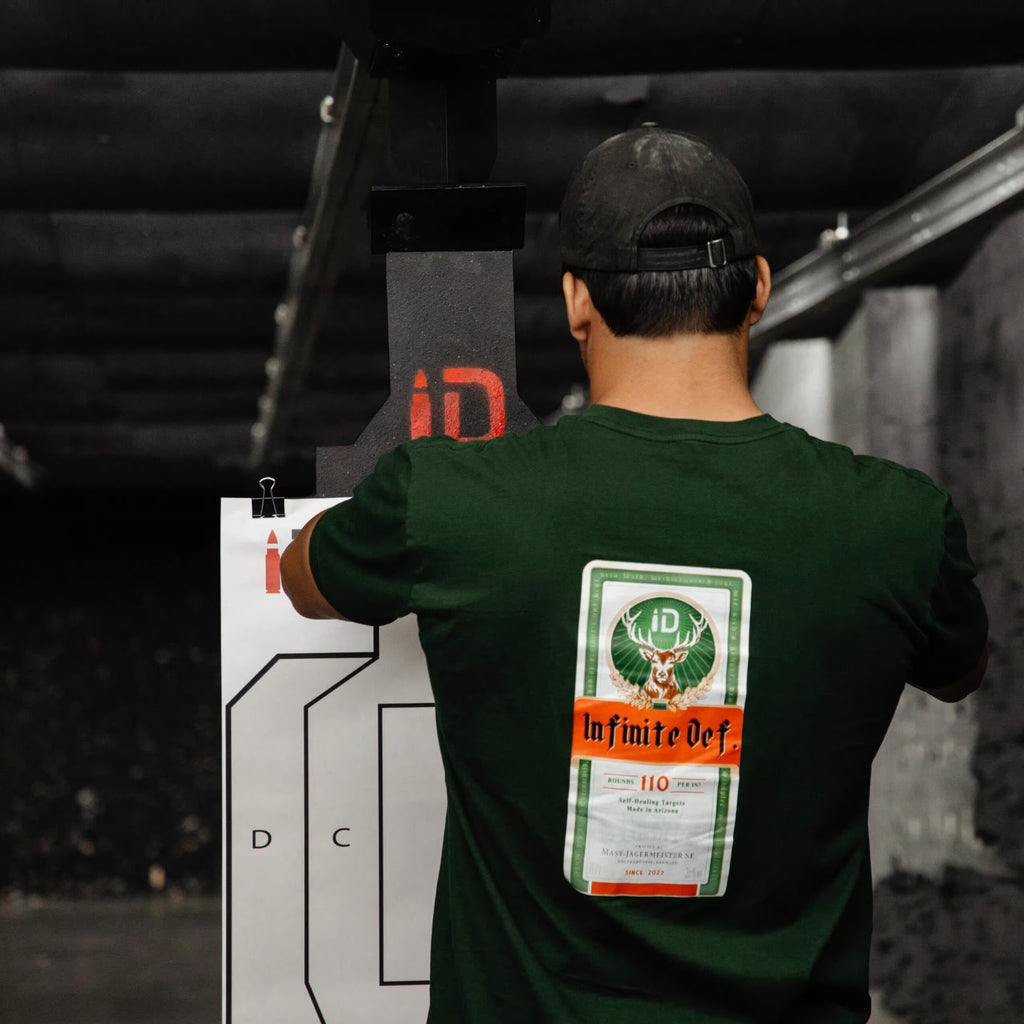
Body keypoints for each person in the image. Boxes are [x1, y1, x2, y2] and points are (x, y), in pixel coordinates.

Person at [281, 126, 988, 1024]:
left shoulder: (450, 499)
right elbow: (962, 667)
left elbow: (308, 576)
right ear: (760, 287)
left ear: (577, 299)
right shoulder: (900, 522)